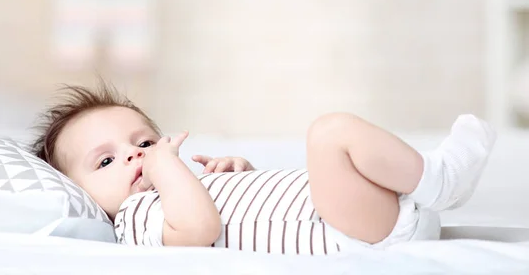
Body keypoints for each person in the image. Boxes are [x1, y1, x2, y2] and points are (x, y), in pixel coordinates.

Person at [32, 83, 496, 255]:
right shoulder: (133, 222)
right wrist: (169, 167)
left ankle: (427, 180)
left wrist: (236, 173)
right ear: (83, 194)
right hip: (349, 233)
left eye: (145, 142)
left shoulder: (172, 189)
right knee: (329, 133)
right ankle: (441, 179)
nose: (136, 155)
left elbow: (250, 206)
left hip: (359, 213)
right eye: (107, 161)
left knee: (338, 144)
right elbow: (200, 228)